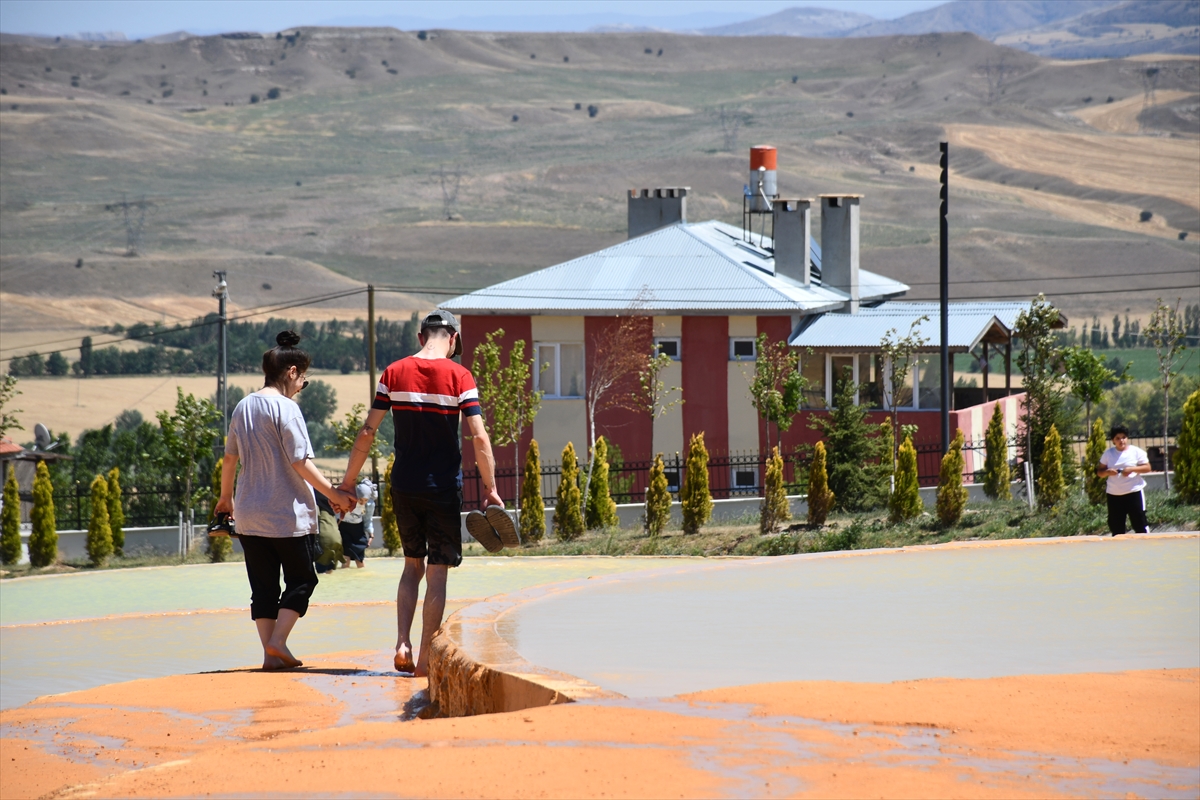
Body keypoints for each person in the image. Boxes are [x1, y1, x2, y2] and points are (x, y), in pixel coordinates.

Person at [339, 309, 509, 677]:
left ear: (421, 337)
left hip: (404, 485)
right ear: (451, 339)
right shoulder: (460, 375)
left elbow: (368, 432)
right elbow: (479, 436)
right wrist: (491, 489)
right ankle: (425, 663)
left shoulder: (393, 373)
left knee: (411, 565)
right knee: (438, 572)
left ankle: (402, 641)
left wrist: (348, 482)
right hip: (443, 488)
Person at [214, 331, 355, 669]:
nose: (301, 386)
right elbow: (299, 462)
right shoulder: (286, 408)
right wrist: (334, 495)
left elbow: (230, 459)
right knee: (303, 580)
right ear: (292, 372)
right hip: (287, 515)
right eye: (302, 379)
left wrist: (225, 499)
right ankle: (278, 642)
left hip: (248, 513)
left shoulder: (242, 406)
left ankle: (270, 655)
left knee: (263, 588)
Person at [1096, 424, 1152, 536]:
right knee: (1116, 528)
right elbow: (1100, 472)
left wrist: (1132, 469)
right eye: (1118, 438)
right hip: (1114, 495)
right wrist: (1107, 472)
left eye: (1124, 437)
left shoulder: (1136, 452)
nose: (1121, 440)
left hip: (1134, 493)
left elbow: (1147, 468)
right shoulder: (1108, 454)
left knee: (1139, 524)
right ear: (1113, 441)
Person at [339, 479, 376, 569]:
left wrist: (370, 533)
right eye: (360, 499)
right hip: (344, 528)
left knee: (360, 560)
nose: (363, 502)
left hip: (358, 531)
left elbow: (368, 519)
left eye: (365, 500)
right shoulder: (348, 500)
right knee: (345, 558)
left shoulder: (369, 505)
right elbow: (338, 515)